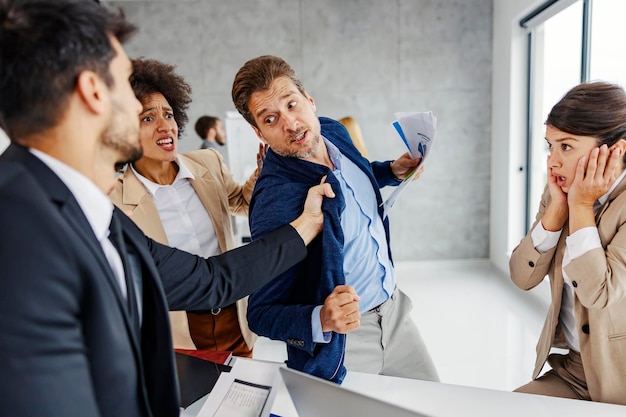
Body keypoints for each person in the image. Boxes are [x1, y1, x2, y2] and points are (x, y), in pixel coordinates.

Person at [0, 2, 334, 416]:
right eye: (126, 82)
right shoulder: (18, 231)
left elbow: (212, 280)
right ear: (93, 91)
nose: (162, 122)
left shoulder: (86, 212)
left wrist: (305, 224)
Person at [231, 55, 439, 384]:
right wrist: (322, 318)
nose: (291, 124)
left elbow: (351, 181)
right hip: (345, 344)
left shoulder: (332, 130)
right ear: (259, 132)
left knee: (433, 406)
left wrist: (391, 171)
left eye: (292, 105)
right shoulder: (276, 200)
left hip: (396, 312)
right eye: (271, 119)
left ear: (310, 101)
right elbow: (261, 313)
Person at [110, 58, 263, 357]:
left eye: (168, 114)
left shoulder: (208, 163)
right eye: (147, 118)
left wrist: (262, 173)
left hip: (237, 318)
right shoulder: (115, 198)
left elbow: (242, 203)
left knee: (247, 399)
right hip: (179, 333)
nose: (165, 125)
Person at [509, 81, 626, 405]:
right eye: (550, 146)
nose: (553, 161)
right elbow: (523, 277)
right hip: (574, 370)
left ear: (615, 150)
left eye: (567, 146)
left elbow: (598, 293)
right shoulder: (559, 192)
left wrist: (580, 207)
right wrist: (558, 210)